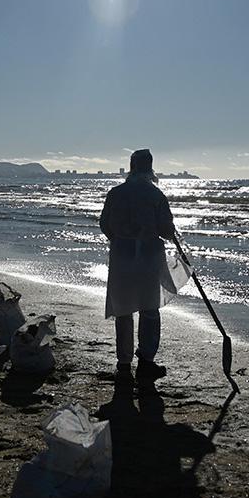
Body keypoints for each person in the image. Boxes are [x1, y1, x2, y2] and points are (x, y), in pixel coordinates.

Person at [99, 149, 177, 383]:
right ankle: (146, 362)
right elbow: (166, 229)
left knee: (123, 310)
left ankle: (124, 365)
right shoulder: (155, 194)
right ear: (150, 168)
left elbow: (104, 224)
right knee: (149, 309)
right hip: (149, 257)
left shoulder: (116, 193)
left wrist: (120, 239)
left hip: (122, 256)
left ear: (131, 166)